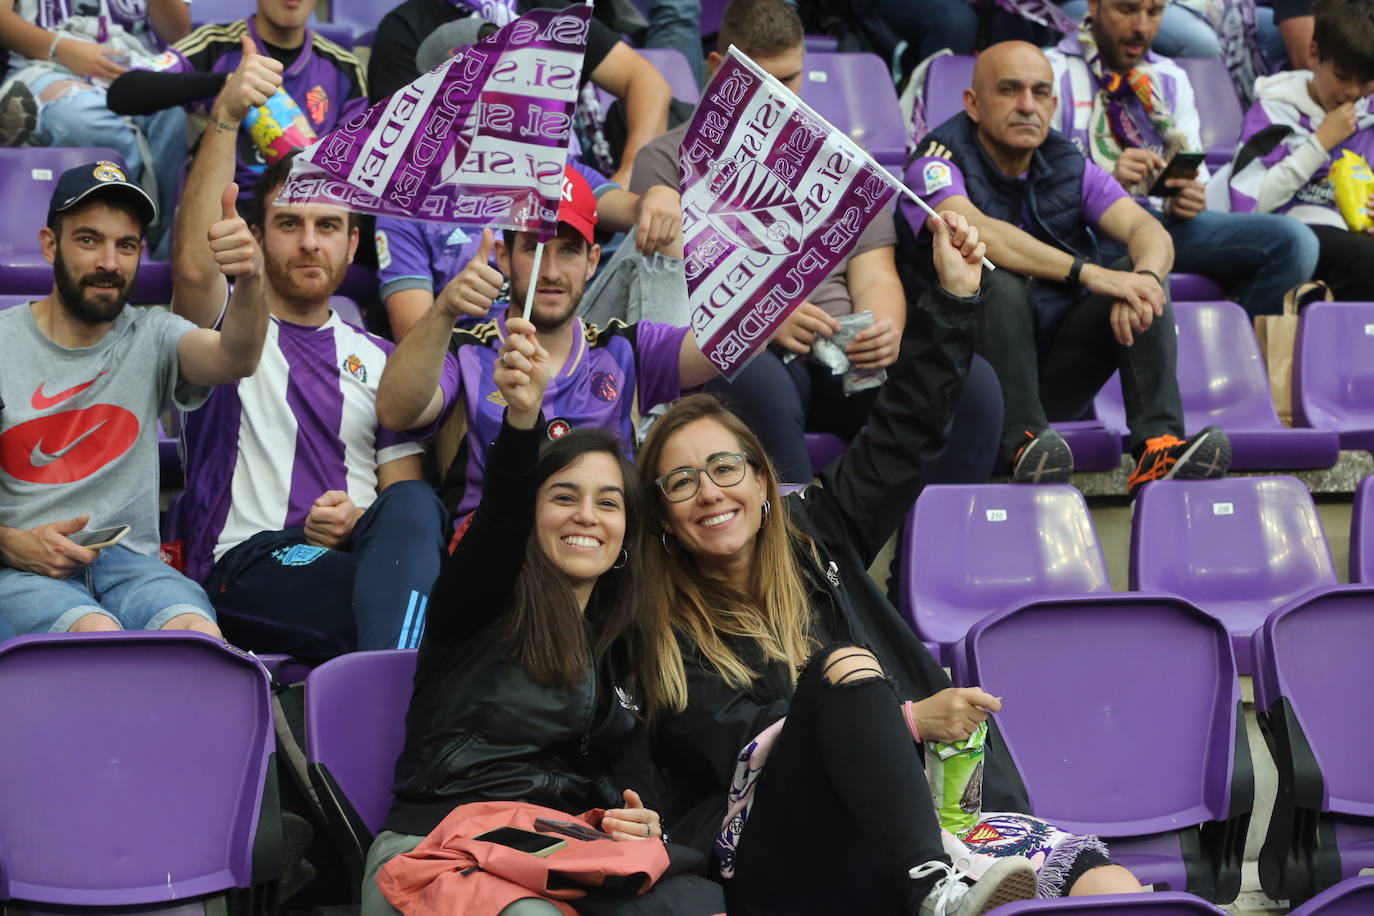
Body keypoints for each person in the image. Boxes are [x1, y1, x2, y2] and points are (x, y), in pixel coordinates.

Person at [637, 211, 1143, 916]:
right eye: (681, 481)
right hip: (793, 845)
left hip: (937, 815)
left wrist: (956, 298)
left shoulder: (817, 535)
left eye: (725, 467)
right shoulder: (658, 620)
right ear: (660, 513)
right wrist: (905, 721)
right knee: (845, 673)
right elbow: (732, 742)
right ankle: (936, 890)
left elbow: (905, 430)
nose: (710, 492)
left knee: (1108, 889)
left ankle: (947, 881)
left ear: (761, 481)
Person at [361, 315, 722, 916]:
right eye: (563, 497)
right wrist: (521, 420)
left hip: (556, 852)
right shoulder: (480, 599)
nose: (587, 515)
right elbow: (499, 518)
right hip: (437, 854)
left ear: (627, 533)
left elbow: (624, 782)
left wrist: (634, 816)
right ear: (532, 516)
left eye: (608, 503)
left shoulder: (622, 644)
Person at [631, 0, 1003, 485]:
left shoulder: (845, 161)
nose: (781, 98)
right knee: (748, 376)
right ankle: (800, 555)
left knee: (972, 385)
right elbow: (678, 293)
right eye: (762, 82)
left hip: (839, 352)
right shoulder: (664, 162)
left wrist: (883, 328)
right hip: (748, 357)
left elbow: (876, 275)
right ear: (719, 70)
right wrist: (763, 316)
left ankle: (929, 548)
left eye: (790, 80)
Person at [165, 48, 451, 659]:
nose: (308, 242)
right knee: (430, 617)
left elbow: (403, 505)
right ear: (259, 234)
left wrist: (355, 525)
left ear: (353, 245)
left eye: (327, 226)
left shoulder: (380, 356)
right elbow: (193, 266)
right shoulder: (222, 326)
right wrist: (225, 117)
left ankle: (394, 674)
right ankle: (406, 681)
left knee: (415, 505)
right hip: (246, 559)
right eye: (289, 223)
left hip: (359, 565)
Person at [904, 41, 1231, 493]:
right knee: (993, 272)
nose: (1027, 106)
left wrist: (1145, 278)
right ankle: (1024, 441)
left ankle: (1159, 446)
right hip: (964, 384)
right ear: (973, 104)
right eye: (1009, 91)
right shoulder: (934, 160)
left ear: (1054, 105)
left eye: (1040, 93)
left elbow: (1149, 232)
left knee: (1139, 283)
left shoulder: (1069, 165)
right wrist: (1090, 273)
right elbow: (977, 230)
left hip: (1051, 371)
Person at [0, 159, 267, 637]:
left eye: (125, 245)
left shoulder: (154, 334)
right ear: (48, 245)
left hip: (131, 566)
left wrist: (250, 277)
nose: (109, 262)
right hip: (20, 570)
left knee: (196, 637)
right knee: (95, 635)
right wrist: (9, 544)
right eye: (89, 240)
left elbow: (235, 357)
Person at [376, 165, 718, 527]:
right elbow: (396, 412)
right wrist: (444, 310)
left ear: (592, 261)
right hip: (492, 563)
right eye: (534, 249)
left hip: (605, 563)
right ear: (504, 258)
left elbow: (729, 344)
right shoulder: (464, 351)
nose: (551, 271)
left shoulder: (625, 348)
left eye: (569, 251)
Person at [375, 18, 684, 341]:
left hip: (572, 335)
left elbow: (635, 211)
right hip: (480, 355)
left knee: (666, 231)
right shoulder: (403, 199)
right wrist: (451, 306)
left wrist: (658, 197)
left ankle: (660, 382)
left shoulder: (547, 164)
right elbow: (412, 341)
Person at [1045, 0, 1318, 318]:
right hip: (1086, 230)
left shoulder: (1169, 77)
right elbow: (1041, 193)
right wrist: (1104, 189)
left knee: (1295, 241)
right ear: (1093, 5)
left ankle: (1240, 353)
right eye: (1127, 10)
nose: (1142, 28)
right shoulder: (1050, 71)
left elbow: (1195, 178)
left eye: (1155, 12)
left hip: (1162, 225)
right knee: (1099, 247)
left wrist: (1185, 200)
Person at [368, 0, 671, 189]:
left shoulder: (550, 10)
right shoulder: (404, 26)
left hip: (567, 202)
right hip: (463, 209)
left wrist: (630, 173)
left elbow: (648, 82)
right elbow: (402, 146)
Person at [106, 0, 368, 206]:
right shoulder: (212, 45)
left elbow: (351, 173)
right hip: (223, 219)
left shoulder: (344, 67)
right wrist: (226, 83)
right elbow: (123, 92)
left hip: (304, 219)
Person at [0, 0, 190, 251]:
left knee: (181, 116)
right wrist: (60, 48)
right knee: (82, 120)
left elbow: (177, 33)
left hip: (137, 65)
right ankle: (132, 235)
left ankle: (169, 255)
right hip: (45, 63)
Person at [1228, 0, 1374, 301]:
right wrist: (1319, 144)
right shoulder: (1273, 110)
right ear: (1314, 54)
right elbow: (1250, 206)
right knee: (1365, 258)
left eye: (1367, 82)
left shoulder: (1369, 115)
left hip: (1357, 238)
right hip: (1292, 236)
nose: (1354, 92)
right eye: (1343, 76)